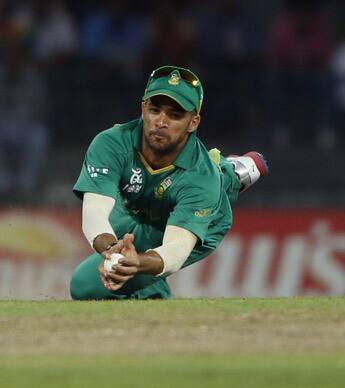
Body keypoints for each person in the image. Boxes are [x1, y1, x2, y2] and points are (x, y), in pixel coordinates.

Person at [70, 65, 268, 300]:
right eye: (155, 110)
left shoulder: (202, 180)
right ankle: (228, 169)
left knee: (84, 286)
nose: (161, 121)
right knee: (113, 241)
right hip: (138, 207)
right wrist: (112, 252)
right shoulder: (111, 143)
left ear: (193, 122)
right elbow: (95, 210)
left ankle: (229, 174)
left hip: (185, 221)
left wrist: (137, 263)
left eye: (175, 115)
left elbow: (176, 249)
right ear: (143, 109)